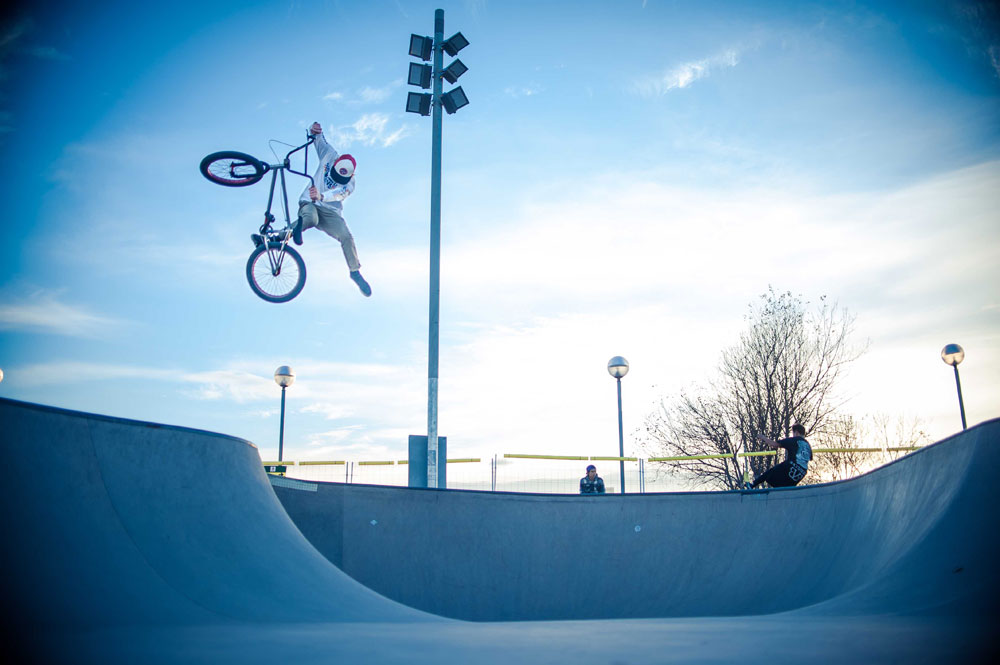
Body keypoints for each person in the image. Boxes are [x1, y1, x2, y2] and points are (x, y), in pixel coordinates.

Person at [292, 121, 371, 297]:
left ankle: (354, 271)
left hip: (330, 212)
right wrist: (316, 131)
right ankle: (280, 236)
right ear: (335, 164)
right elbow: (320, 141)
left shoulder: (351, 183)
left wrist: (321, 196)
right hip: (310, 204)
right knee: (310, 218)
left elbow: (339, 194)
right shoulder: (330, 155)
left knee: (346, 236)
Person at [745, 424, 813, 489]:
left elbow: (775, 444)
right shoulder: (808, 445)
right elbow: (810, 458)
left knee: (770, 473)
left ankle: (752, 485)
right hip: (802, 473)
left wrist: (763, 438)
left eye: (793, 433)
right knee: (786, 487)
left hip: (791, 466)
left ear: (796, 432)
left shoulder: (795, 439)